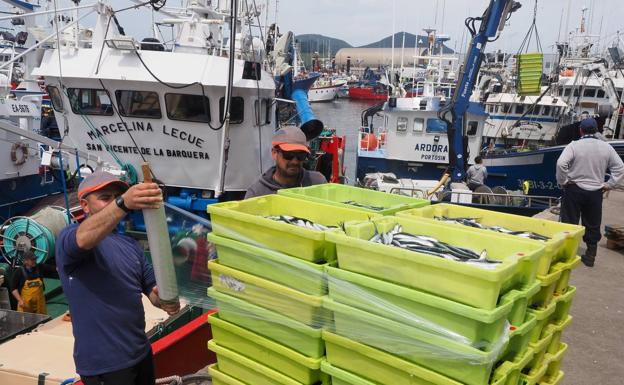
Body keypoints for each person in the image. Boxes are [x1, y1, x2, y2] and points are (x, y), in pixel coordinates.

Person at [55, 171, 180, 385]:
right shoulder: (69, 238)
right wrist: (123, 202)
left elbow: (152, 290)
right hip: (105, 366)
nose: (113, 202)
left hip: (140, 354)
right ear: (85, 206)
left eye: (117, 196)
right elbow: (83, 239)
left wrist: (166, 300)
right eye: (105, 198)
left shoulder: (131, 246)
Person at [556, 117, 624, 267]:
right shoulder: (606, 147)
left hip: (574, 189)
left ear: (581, 130)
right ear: (596, 131)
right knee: (592, 222)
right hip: (595, 191)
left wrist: (563, 181)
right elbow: (620, 167)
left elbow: (561, 163)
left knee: (570, 222)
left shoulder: (574, 146)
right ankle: (590, 255)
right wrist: (609, 184)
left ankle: (567, 254)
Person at [245, 125, 326, 198]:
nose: (295, 161)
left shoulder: (318, 183)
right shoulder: (256, 193)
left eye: (301, 156)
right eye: (288, 155)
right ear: (274, 153)